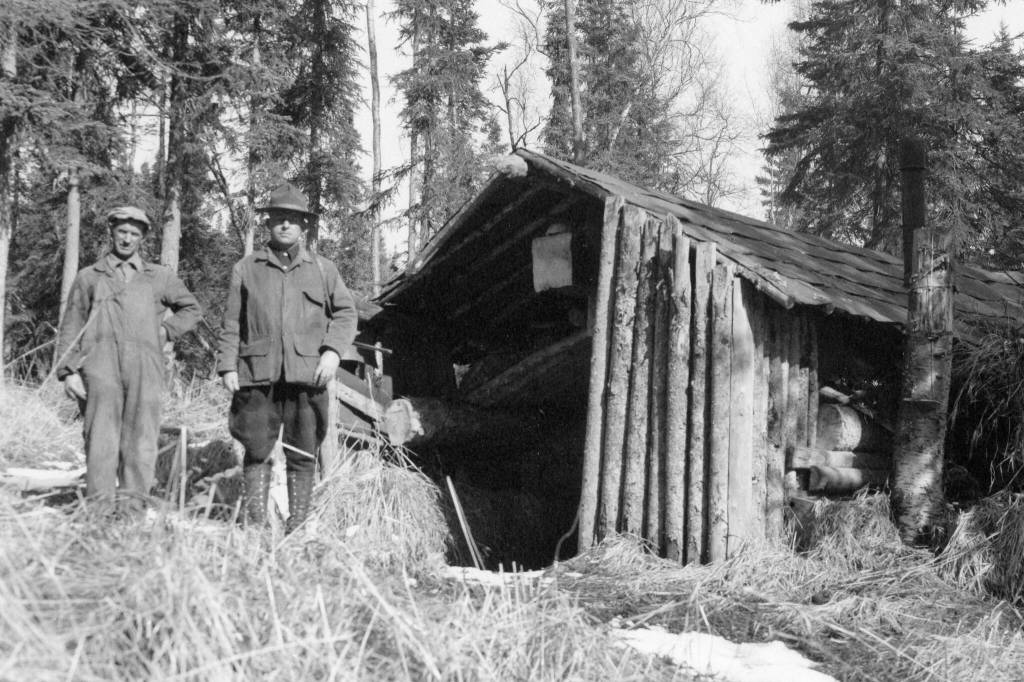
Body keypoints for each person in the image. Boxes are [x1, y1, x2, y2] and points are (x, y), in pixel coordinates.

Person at [216, 183, 358, 532]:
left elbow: (345, 314)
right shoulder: (246, 269)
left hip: (307, 375)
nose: (285, 225)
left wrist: (332, 353)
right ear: (269, 224)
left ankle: (297, 525)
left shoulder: (323, 270)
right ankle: (255, 523)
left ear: (304, 226)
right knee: (256, 447)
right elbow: (232, 321)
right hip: (256, 374)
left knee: (303, 451)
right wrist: (226, 365)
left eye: (292, 220)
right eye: (278, 218)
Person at [55, 205, 202, 513]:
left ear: (143, 238)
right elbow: (71, 324)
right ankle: (99, 512)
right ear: (111, 232)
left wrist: (165, 331)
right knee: (100, 440)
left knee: (140, 441)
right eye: (122, 231)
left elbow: (191, 309)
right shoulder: (89, 276)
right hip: (99, 366)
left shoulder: (158, 277)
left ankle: (132, 513)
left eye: (134, 234)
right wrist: (68, 371)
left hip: (144, 368)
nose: (126, 239)